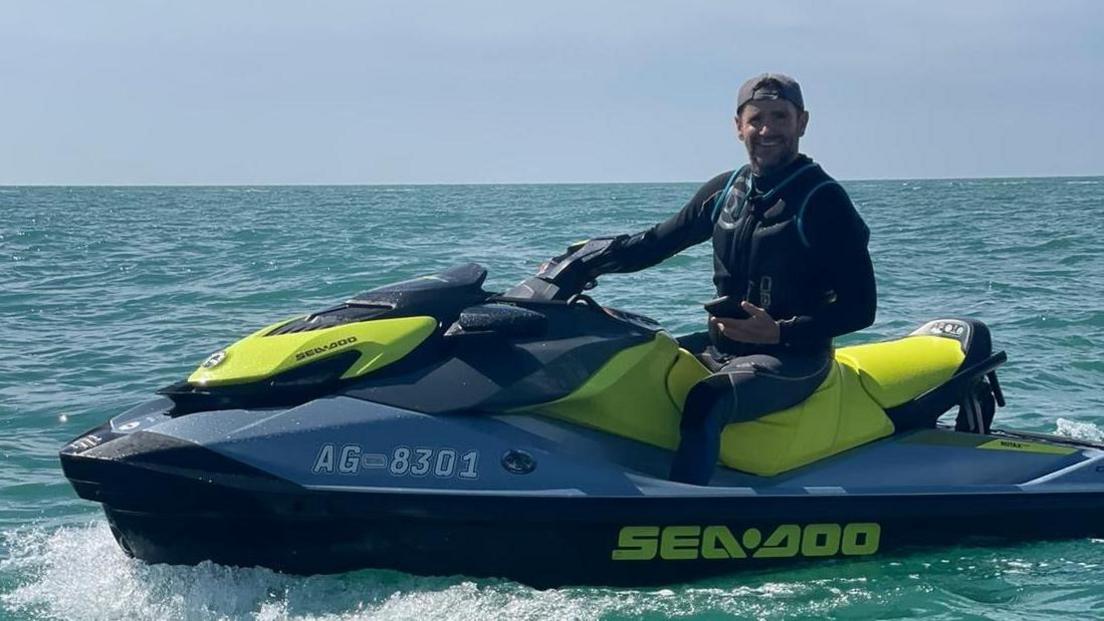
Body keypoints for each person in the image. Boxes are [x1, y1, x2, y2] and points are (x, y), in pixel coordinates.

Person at [569, 73, 876, 485]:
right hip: (723, 346)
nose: (767, 130)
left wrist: (780, 333)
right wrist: (580, 264)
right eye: (756, 119)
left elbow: (862, 308)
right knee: (628, 362)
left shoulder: (823, 201)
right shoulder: (727, 190)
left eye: (779, 117)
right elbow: (655, 243)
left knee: (706, 399)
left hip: (794, 358)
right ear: (738, 126)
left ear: (801, 123)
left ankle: (680, 514)